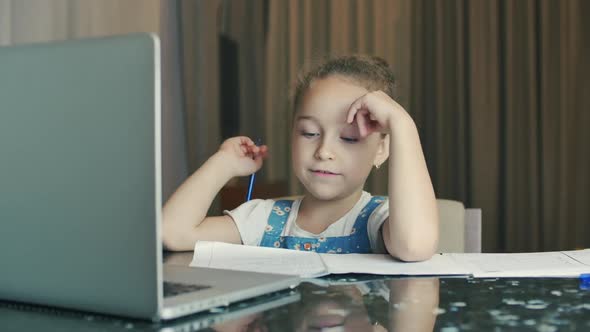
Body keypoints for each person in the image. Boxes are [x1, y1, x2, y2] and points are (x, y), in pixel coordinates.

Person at [162, 55, 439, 261]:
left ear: (381, 149)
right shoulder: (263, 220)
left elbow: (414, 244)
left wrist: (402, 125)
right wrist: (223, 163)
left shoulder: (378, 220)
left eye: (349, 138)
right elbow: (172, 233)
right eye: (309, 133)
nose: (323, 151)